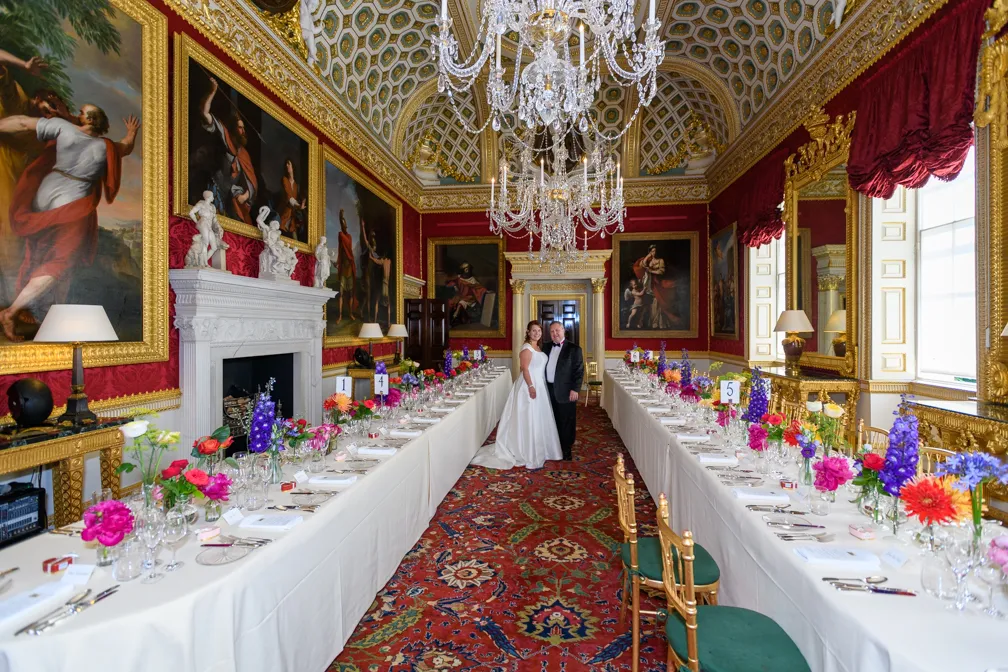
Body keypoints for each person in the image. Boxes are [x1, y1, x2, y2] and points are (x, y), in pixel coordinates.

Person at [0, 105, 138, 341]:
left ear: (87, 118)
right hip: (70, 203)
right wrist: (131, 133)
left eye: (82, 111)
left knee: (45, 250)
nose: (77, 113)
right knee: (62, 260)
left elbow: (22, 122)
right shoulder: (105, 147)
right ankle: (11, 312)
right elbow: (125, 147)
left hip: (45, 193)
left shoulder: (64, 128)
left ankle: (36, 309)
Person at [471, 320, 561, 470]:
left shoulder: (538, 347)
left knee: (538, 417)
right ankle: (525, 450)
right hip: (528, 386)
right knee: (528, 417)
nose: (536, 333)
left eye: (539, 331)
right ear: (528, 332)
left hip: (539, 384)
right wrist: (531, 387)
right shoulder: (526, 349)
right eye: (533, 331)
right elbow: (524, 369)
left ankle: (540, 448)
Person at [198, 76, 257, 225]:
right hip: (216, 187)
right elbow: (205, 113)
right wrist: (212, 92)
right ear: (233, 129)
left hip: (232, 194)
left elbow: (252, 180)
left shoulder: (244, 154)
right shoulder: (226, 135)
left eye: (244, 128)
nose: (243, 131)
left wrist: (246, 195)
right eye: (240, 127)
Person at [543, 320, 583, 461]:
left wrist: (575, 389)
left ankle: (566, 449)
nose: (555, 334)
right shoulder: (545, 347)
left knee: (567, 421)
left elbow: (578, 371)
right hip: (547, 390)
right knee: (550, 419)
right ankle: (551, 447)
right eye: (552, 331)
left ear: (563, 331)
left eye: (557, 330)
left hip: (566, 391)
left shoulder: (574, 349)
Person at [331, 208, 357, 324]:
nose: (344, 227)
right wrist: (337, 262)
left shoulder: (349, 237)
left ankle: (350, 313)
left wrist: (341, 217)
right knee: (341, 293)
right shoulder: (341, 236)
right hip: (343, 269)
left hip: (350, 269)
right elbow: (340, 251)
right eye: (343, 225)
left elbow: (345, 241)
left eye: (345, 226)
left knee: (351, 293)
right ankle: (340, 315)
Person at [277, 158, 306, 238]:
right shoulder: (284, 180)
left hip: (292, 215)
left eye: (288, 164)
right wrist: (299, 206)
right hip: (284, 213)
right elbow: (289, 197)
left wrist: (302, 203)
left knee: (294, 237)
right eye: (286, 164)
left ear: (293, 167)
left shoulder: (296, 185)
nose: (287, 165)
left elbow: (296, 199)